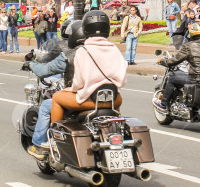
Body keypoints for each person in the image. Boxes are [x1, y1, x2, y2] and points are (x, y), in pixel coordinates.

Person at [46, 11, 126, 151]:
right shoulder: (115, 49)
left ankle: (55, 138)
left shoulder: (84, 51)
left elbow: (78, 83)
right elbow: (122, 79)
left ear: (85, 29)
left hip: (89, 100)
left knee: (57, 98)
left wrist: (72, 89)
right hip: (114, 100)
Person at [24, 21, 83, 159]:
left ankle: (40, 144)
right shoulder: (106, 51)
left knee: (46, 106)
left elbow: (45, 68)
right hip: (109, 101)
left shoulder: (73, 55)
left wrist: (30, 65)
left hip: (81, 98)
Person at [153, 21, 200, 111]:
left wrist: (164, 61)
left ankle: (163, 104)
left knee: (171, 78)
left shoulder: (189, 46)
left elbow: (175, 60)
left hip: (195, 78)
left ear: (192, 34)